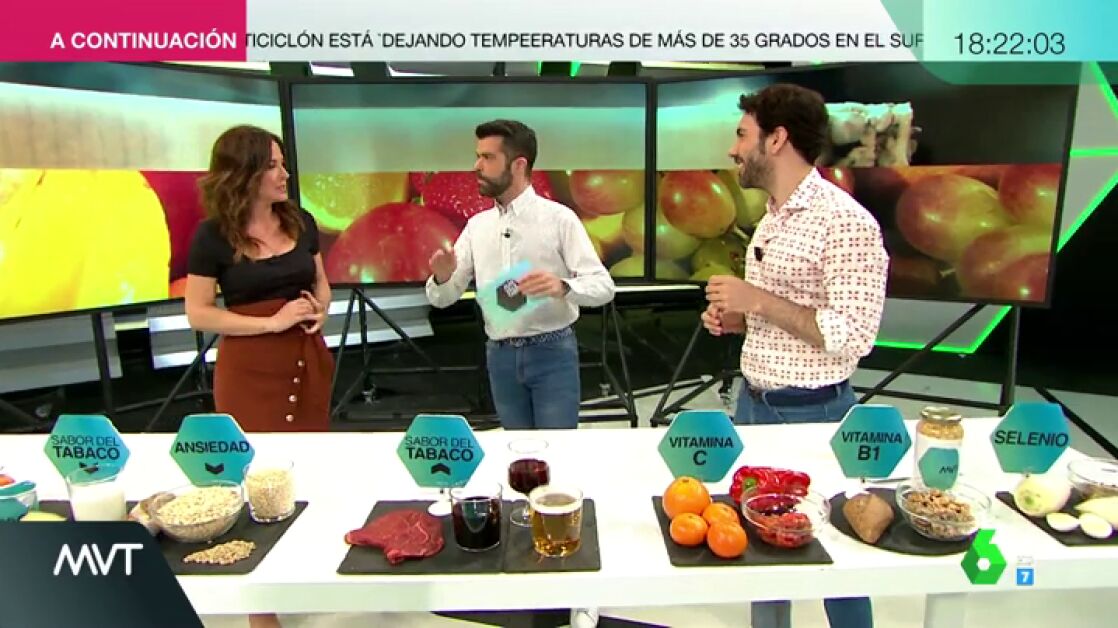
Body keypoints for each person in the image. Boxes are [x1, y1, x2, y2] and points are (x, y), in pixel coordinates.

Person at [702, 84, 889, 628]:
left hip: (814, 414)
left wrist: (757, 300)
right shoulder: (772, 216)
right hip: (754, 406)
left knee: (835, 558)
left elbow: (853, 334)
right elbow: (789, 316)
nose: (733, 149)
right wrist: (739, 318)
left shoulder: (845, 221)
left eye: (742, 135)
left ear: (777, 139)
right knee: (762, 552)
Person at [184, 125, 333, 627]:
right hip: (250, 369)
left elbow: (320, 283)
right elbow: (199, 312)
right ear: (243, 173)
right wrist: (270, 323)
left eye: (282, 162)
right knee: (254, 479)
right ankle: (259, 608)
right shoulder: (212, 236)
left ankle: (302, 574)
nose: (284, 173)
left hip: (305, 361)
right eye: (272, 165)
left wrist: (319, 310)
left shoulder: (300, 220)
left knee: (305, 470)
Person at [425, 119, 615, 431]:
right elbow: (442, 299)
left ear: (518, 165)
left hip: (552, 352)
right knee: (515, 450)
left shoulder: (559, 219)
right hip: (499, 357)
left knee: (556, 450)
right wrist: (443, 278)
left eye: (487, 158)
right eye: (478, 156)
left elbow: (603, 287)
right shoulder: (477, 227)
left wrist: (563, 287)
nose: (476, 166)